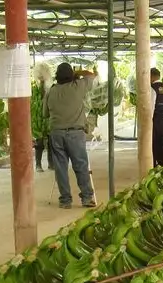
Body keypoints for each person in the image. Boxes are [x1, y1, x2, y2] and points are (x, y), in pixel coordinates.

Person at [44, 62, 97, 208]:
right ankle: (86, 198)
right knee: (80, 165)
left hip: (56, 133)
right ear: (71, 76)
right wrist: (77, 73)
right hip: (75, 133)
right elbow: (92, 75)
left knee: (60, 168)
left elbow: (45, 114)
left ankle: (65, 200)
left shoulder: (51, 91)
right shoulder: (78, 86)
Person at [150, 67, 163, 167]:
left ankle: (153, 163)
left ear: (152, 76)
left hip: (155, 117)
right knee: (162, 140)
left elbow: (151, 104)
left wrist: (149, 119)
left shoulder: (153, 88)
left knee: (154, 141)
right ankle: (162, 162)